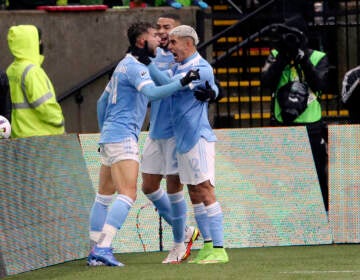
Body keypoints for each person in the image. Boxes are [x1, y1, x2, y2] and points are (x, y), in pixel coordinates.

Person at [87, 21, 200, 267]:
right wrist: (182, 82)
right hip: (124, 137)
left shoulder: (124, 65)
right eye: (153, 36)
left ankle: (96, 249)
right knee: (127, 193)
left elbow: (100, 104)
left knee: (104, 196)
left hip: (109, 137)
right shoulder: (135, 67)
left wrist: (104, 132)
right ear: (141, 41)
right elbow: (152, 94)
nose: (159, 39)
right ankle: (104, 247)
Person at [139, 25, 228, 264]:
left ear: (188, 43)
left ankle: (219, 248)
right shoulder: (181, 65)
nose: (170, 46)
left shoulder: (199, 68)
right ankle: (208, 245)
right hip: (183, 138)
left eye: (174, 42)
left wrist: (147, 65)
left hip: (196, 137)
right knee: (195, 192)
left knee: (205, 189)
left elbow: (168, 88)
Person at [140, 13, 202, 264]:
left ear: (181, 35)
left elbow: (167, 86)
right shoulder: (156, 55)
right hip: (156, 130)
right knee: (148, 186)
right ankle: (186, 231)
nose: (162, 31)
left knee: (174, 188)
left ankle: (178, 244)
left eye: (168, 27)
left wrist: (148, 65)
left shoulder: (183, 60)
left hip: (175, 133)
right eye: (159, 27)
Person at [261, 15, 330, 211]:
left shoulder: (317, 56)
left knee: (316, 174)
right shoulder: (276, 54)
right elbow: (265, 82)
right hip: (283, 124)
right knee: (283, 176)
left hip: (311, 125)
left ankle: (322, 215)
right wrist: (282, 58)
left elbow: (320, 85)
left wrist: (303, 60)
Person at [6, 25, 65, 138]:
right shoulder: (32, 71)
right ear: (30, 43)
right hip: (42, 138)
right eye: (38, 40)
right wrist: (59, 120)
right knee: (92, 151)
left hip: (19, 137)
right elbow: (45, 106)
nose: (41, 43)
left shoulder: (11, 70)